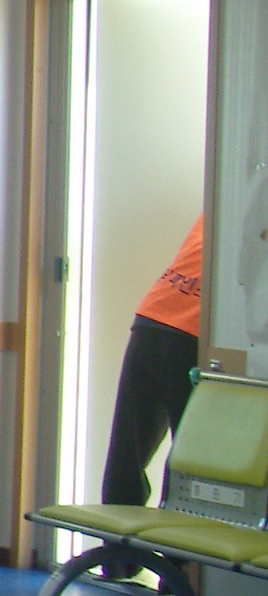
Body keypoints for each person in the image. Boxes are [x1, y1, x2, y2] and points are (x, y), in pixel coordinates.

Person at [101, 216, 203, 508]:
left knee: (129, 449)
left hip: (154, 316)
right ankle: (178, 534)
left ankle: (118, 533)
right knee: (191, 456)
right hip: (195, 331)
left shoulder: (227, 199)